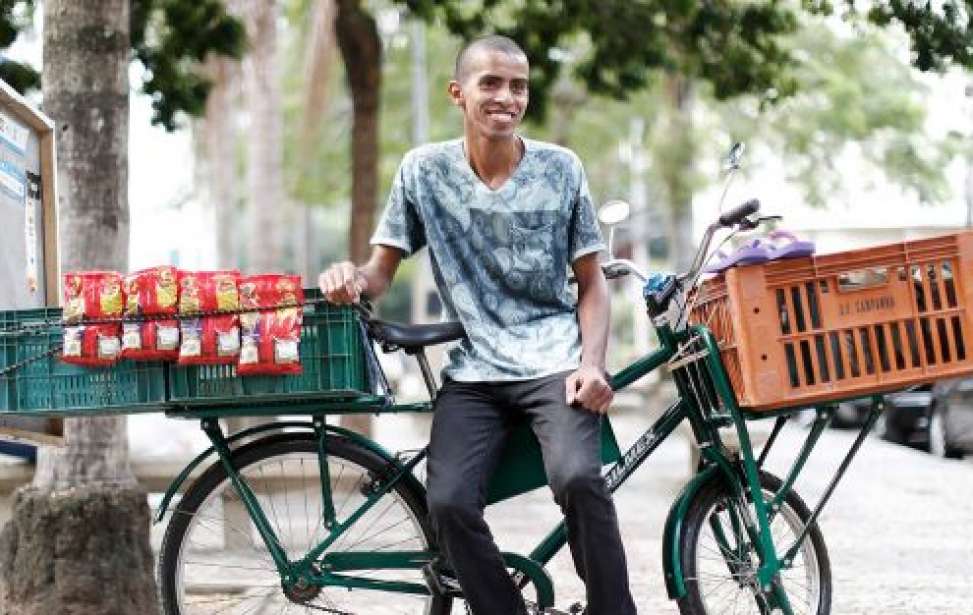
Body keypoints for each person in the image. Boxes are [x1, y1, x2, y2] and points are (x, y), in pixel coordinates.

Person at [319, 34, 637, 615]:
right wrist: (350, 278)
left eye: (518, 86)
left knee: (580, 481)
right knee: (449, 504)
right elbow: (380, 273)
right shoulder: (423, 171)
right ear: (457, 93)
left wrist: (592, 365)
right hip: (474, 371)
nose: (506, 97)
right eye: (490, 83)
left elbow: (591, 283)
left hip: (555, 361)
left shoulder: (561, 169)